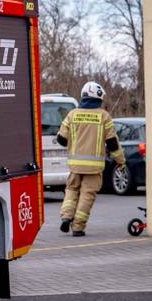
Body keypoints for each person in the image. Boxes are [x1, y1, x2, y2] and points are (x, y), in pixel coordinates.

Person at [54, 81, 126, 236]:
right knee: (87, 195)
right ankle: (78, 227)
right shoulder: (104, 116)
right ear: (98, 97)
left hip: (75, 166)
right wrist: (121, 161)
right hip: (94, 168)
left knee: (71, 190)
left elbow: (61, 139)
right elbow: (112, 144)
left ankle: (66, 216)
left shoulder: (72, 114)